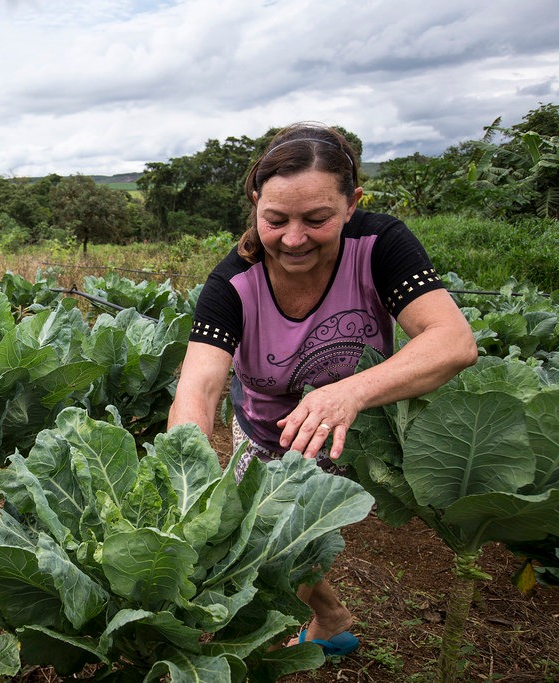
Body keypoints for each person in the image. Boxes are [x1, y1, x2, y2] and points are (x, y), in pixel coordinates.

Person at [167, 122, 478, 655]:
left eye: (317, 219)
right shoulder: (232, 284)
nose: (293, 238)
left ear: (353, 203)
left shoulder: (380, 245)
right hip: (266, 430)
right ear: (254, 202)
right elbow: (197, 390)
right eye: (275, 220)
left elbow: (452, 341)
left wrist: (349, 392)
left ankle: (323, 618)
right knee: (264, 533)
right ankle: (330, 616)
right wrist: (187, 476)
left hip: (356, 421)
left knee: (295, 532)